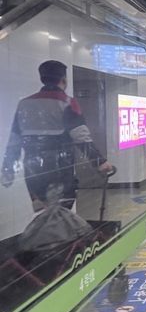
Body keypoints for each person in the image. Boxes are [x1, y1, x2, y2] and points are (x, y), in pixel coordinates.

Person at [1, 60, 112, 211]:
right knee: (61, 214)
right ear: (63, 80)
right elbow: (81, 137)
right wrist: (100, 162)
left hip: (33, 171)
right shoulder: (67, 103)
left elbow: (14, 141)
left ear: (42, 78)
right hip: (60, 170)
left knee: (43, 213)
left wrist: (8, 169)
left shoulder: (24, 104)